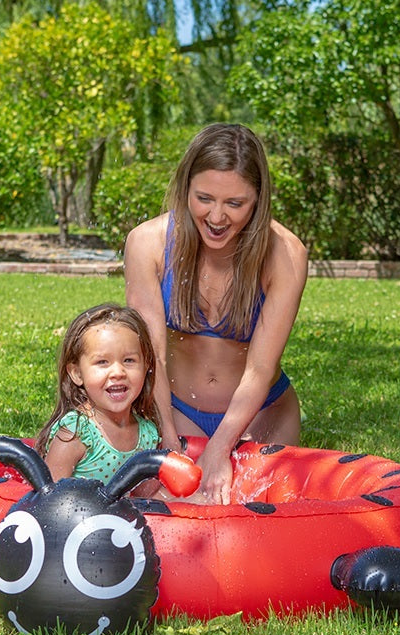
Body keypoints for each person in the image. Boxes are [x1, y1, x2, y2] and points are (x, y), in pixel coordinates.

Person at [124, 123, 308, 505]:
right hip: (177, 413)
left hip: (263, 415)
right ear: (185, 187)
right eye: (204, 198)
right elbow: (150, 354)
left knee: (251, 527)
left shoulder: (285, 255)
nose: (217, 217)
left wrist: (220, 447)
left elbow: (259, 368)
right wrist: (167, 439)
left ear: (258, 199)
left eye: (235, 204)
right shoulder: (148, 243)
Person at [35, 303, 161, 490]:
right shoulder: (77, 432)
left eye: (129, 360)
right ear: (77, 373)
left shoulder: (147, 434)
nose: (118, 372)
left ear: (146, 366)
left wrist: (199, 503)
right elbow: (46, 496)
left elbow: (149, 496)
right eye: (102, 362)